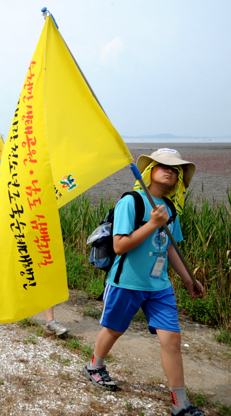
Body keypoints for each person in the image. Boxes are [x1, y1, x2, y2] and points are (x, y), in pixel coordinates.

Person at [82, 149, 205, 416]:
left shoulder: (171, 208)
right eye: (163, 165)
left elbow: (170, 248)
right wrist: (152, 224)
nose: (170, 170)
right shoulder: (132, 202)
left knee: (171, 340)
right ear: (149, 170)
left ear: (179, 180)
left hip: (159, 286)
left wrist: (188, 280)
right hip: (127, 282)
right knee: (113, 330)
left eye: (175, 169)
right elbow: (119, 245)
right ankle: (95, 365)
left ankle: (180, 404)